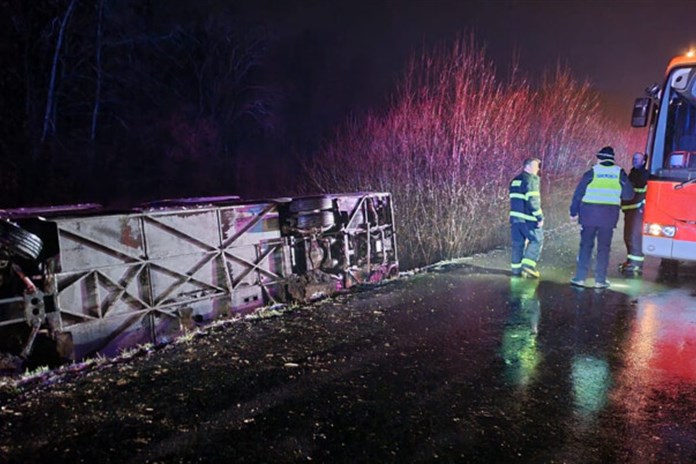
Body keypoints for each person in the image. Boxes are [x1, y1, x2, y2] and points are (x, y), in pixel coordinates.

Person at [569, 146, 635, 289]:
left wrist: (573, 212)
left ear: (599, 158)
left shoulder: (592, 172)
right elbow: (629, 195)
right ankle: (600, 281)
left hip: (588, 215)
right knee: (604, 248)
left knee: (585, 246)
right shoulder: (619, 173)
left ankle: (580, 278)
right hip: (608, 216)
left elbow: (578, 194)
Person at [509, 158, 543, 278]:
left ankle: (516, 271)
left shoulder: (515, 180)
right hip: (528, 220)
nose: (538, 170)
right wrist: (539, 217)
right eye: (536, 166)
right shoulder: (531, 180)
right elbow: (533, 200)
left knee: (518, 244)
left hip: (515, 220)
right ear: (528, 166)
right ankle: (528, 266)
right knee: (537, 240)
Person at [618, 152, 649, 275]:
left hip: (637, 210)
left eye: (637, 159)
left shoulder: (644, 174)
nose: (634, 161)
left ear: (643, 161)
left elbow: (638, 191)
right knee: (628, 236)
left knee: (635, 237)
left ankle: (636, 264)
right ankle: (630, 261)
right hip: (631, 210)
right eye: (633, 158)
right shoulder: (634, 173)